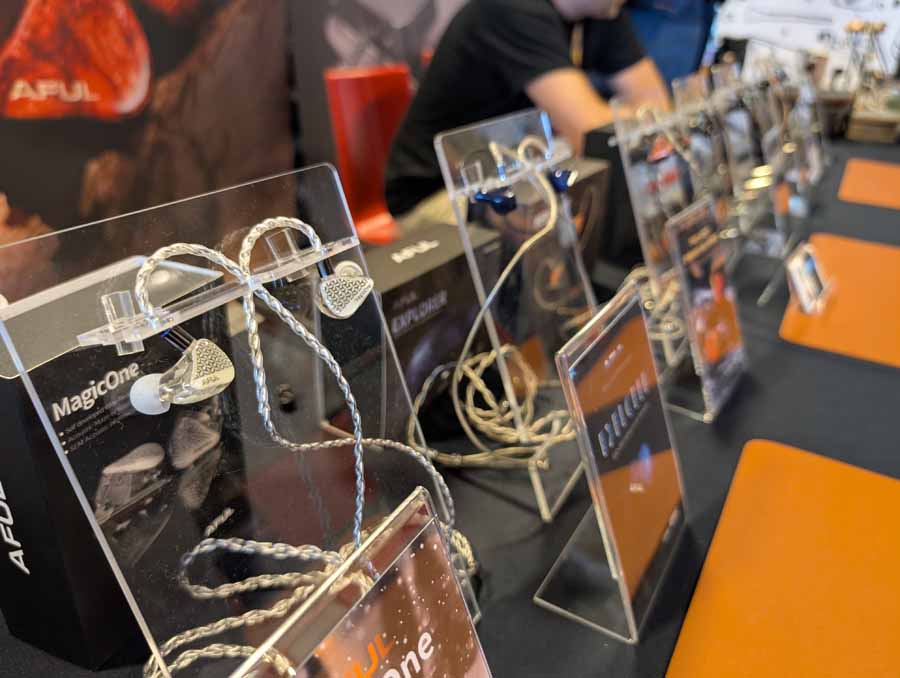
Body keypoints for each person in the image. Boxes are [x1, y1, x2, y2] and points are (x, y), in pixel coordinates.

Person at [385, 0, 670, 230]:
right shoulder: (511, 9)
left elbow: (660, 111)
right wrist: (627, 118)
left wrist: (621, 121)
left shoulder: (602, 11)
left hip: (514, 176)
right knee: (574, 217)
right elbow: (594, 138)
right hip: (438, 197)